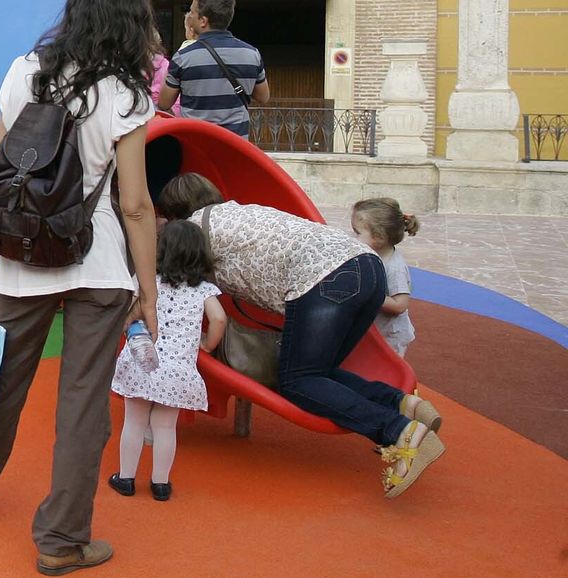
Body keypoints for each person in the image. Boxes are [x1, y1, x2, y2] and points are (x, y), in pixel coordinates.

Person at [0, 0, 160, 577]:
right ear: (131, 23)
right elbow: (135, 203)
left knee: (1, 385)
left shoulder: (23, 72)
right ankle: (61, 539)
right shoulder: (127, 95)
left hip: (24, 254)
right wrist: (150, 287)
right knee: (84, 404)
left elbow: (0, 174)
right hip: (100, 259)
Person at [158, 173, 445, 497]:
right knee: (316, 374)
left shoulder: (194, 229)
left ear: (174, 214)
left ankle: (400, 431)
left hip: (325, 280)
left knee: (297, 382)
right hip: (369, 270)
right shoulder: (239, 211)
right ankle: (401, 403)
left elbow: (173, 279)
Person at [108, 220, 227, 502]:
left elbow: (130, 314)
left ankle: (126, 478)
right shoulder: (203, 290)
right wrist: (207, 344)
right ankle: (160, 483)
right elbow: (219, 318)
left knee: (134, 423)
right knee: (165, 428)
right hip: (177, 371)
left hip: (141, 362)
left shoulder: (150, 283)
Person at [155, 0, 269, 138]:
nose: (190, 16)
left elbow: (164, 103)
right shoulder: (252, 54)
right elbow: (263, 97)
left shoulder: (183, 57)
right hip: (236, 147)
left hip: (198, 145)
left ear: (203, 21)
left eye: (192, 12)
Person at [352, 197, 419, 357]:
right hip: (374, 329)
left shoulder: (395, 268)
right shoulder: (370, 254)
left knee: (385, 368)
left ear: (379, 238)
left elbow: (399, 305)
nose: (354, 238)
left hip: (390, 336)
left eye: (358, 233)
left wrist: (369, 293)